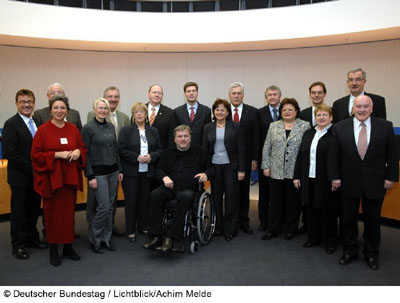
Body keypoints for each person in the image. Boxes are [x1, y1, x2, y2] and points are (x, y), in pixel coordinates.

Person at [328, 95, 398, 270]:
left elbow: (393, 155)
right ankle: (350, 250)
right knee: (348, 219)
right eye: (358, 106)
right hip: (348, 182)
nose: (362, 109)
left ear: (372, 109)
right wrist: (335, 177)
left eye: (366, 106)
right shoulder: (339, 127)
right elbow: (333, 156)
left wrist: (391, 177)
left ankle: (371, 253)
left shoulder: (385, 126)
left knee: (373, 220)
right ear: (353, 109)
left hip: (376, 182)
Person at [31, 95, 86, 266]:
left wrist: (78, 152)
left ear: (67, 110)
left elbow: (82, 147)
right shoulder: (43, 130)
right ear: (50, 111)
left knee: (69, 214)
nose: (59, 111)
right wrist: (56, 155)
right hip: (51, 180)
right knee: (52, 215)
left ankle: (68, 246)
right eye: (56, 108)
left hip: (69, 179)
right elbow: (36, 155)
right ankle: (54, 248)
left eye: (62, 108)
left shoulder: (73, 129)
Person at [143, 125, 214, 251]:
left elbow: (212, 168)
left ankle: (171, 237)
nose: (183, 139)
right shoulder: (167, 153)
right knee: (155, 195)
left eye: (185, 136)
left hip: (190, 189)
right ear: (175, 139)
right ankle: (155, 236)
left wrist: (206, 174)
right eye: (180, 136)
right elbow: (158, 169)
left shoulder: (200, 152)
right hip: (170, 188)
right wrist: (164, 177)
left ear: (190, 138)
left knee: (185, 197)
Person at [2, 89, 46, 260]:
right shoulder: (11, 124)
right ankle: (18, 245)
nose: (26, 105)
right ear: (17, 104)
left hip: (36, 177)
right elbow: (10, 153)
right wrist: (33, 169)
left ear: (34, 103)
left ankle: (31, 238)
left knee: (33, 210)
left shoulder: (36, 121)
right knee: (18, 212)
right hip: (20, 177)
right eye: (23, 102)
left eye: (29, 102)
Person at [261, 98, 310, 241]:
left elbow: (305, 150)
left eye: (290, 109)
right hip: (275, 171)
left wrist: (301, 172)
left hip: (295, 172)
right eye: (284, 110)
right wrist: (266, 165)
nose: (287, 112)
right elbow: (266, 147)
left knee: (293, 203)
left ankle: (290, 229)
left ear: (296, 111)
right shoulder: (273, 126)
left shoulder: (305, 126)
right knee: (275, 202)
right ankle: (273, 229)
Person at [293, 104, 338, 254]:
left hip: (326, 180)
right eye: (319, 115)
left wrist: (335, 178)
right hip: (308, 178)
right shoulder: (308, 133)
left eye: (325, 115)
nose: (322, 117)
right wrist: (297, 176)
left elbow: (337, 159)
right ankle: (313, 237)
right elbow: (301, 156)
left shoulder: (335, 134)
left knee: (327, 210)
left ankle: (330, 241)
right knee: (311, 209)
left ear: (331, 118)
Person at [86, 86, 130, 237]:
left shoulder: (121, 119)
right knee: (99, 204)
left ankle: (108, 232)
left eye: (116, 97)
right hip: (97, 170)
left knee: (110, 204)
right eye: (109, 97)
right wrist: (90, 174)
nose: (113, 99)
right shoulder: (90, 121)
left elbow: (120, 145)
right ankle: (94, 233)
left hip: (114, 168)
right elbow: (87, 149)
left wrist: (120, 169)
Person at [82, 98, 123, 254]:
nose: (103, 110)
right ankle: (95, 239)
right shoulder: (88, 128)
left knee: (111, 207)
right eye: (100, 108)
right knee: (103, 207)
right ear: (94, 109)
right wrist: (90, 175)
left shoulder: (111, 126)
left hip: (113, 172)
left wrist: (119, 169)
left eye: (105, 108)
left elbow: (115, 150)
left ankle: (106, 239)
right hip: (98, 174)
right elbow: (85, 154)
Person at [203, 98, 246, 241]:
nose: (220, 112)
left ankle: (230, 229)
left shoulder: (236, 126)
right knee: (216, 198)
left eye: (223, 110)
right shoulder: (208, 127)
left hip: (231, 167)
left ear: (227, 112)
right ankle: (218, 227)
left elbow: (241, 148)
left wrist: (241, 169)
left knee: (231, 198)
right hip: (214, 167)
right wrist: (205, 170)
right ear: (213, 112)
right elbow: (205, 149)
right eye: (217, 109)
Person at [119, 102, 162, 243]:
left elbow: (160, 150)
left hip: (148, 172)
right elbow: (121, 149)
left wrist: (152, 157)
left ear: (146, 115)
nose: (139, 114)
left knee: (145, 201)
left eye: (142, 112)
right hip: (131, 172)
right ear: (133, 114)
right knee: (131, 202)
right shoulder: (126, 130)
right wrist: (136, 157)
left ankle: (143, 226)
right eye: (136, 112)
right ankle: (130, 230)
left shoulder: (153, 131)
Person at [228, 82, 259, 235]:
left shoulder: (252, 112)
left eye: (239, 93)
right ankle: (230, 221)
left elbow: (255, 137)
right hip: (227, 160)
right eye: (233, 93)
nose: (236, 95)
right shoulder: (222, 110)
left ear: (243, 95)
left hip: (245, 159)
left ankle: (244, 221)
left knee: (244, 192)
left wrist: (254, 159)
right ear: (229, 95)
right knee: (230, 192)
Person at [257, 85, 281, 232]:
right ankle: (264, 221)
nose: (272, 97)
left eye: (275, 94)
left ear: (279, 97)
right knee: (264, 192)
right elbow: (257, 137)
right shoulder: (259, 113)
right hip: (265, 159)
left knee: (279, 193)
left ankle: (279, 221)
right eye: (269, 95)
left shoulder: (286, 112)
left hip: (282, 160)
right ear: (266, 97)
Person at [174, 82, 211, 146]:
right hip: (183, 149)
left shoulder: (206, 111)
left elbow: (208, 133)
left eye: (193, 91)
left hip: (200, 149)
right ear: (185, 94)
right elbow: (175, 133)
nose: (191, 93)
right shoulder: (177, 111)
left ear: (197, 93)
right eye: (188, 91)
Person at [146, 84, 176, 149]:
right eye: (154, 92)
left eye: (160, 93)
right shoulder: (140, 109)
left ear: (162, 96)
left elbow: (172, 136)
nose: (157, 95)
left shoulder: (169, 113)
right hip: (141, 154)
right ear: (148, 94)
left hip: (161, 153)